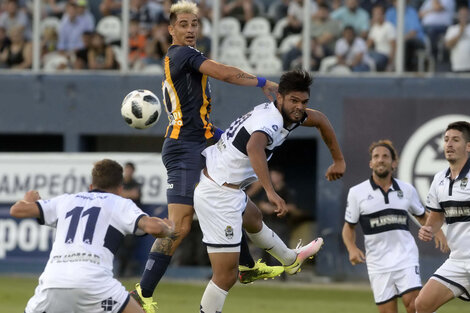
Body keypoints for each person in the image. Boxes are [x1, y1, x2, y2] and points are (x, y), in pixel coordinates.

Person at [131, 1, 280, 312]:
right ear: (171, 29)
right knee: (180, 225)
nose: (190, 30)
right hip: (184, 146)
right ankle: (142, 293)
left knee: (246, 209)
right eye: (183, 24)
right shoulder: (183, 54)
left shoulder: (184, 55)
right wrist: (264, 82)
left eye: (194, 24)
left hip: (207, 136)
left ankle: (247, 265)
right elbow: (224, 73)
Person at [195, 69, 345, 313]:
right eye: (294, 101)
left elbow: (321, 120)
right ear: (280, 97)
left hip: (227, 190)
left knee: (254, 218)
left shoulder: (289, 115)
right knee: (225, 276)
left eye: (304, 101)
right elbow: (255, 147)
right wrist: (271, 191)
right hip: (218, 195)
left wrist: (338, 160)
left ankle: (289, 260)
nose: (299, 107)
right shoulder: (271, 120)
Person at [10, 159, 175, 313]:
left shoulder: (66, 200)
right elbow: (153, 227)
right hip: (95, 284)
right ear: (120, 188)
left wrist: (28, 199)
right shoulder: (119, 203)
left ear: (91, 186)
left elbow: (16, 210)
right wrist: (167, 229)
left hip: (53, 283)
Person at [342, 140, 448, 313]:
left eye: (385, 156)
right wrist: (352, 248)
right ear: (371, 163)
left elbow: (422, 216)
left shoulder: (407, 190)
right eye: (376, 156)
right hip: (378, 263)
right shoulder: (357, 193)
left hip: (405, 256)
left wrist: (438, 232)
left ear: (394, 163)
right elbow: (348, 227)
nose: (380, 159)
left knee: (414, 305)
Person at [415, 121, 470, 313]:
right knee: (421, 305)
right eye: (446, 140)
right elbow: (437, 216)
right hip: (457, 260)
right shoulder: (439, 179)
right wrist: (430, 228)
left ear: (468, 146)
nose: (449, 144)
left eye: (456, 140)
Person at [444, 5, 470, 72]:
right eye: (462, 14)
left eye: (466, 14)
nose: (464, 16)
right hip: (457, 67)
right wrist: (460, 33)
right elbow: (448, 45)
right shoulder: (452, 29)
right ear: (458, 16)